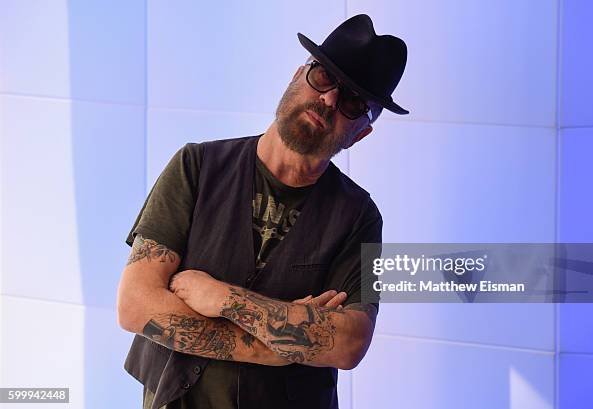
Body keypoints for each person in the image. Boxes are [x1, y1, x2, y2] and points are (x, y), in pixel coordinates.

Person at [117, 14, 409, 409]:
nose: (329, 100)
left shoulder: (360, 217)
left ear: (362, 132)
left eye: (354, 103)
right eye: (324, 77)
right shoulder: (197, 166)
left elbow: (349, 342)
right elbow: (136, 304)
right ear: (297, 74)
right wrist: (280, 345)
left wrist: (223, 297)